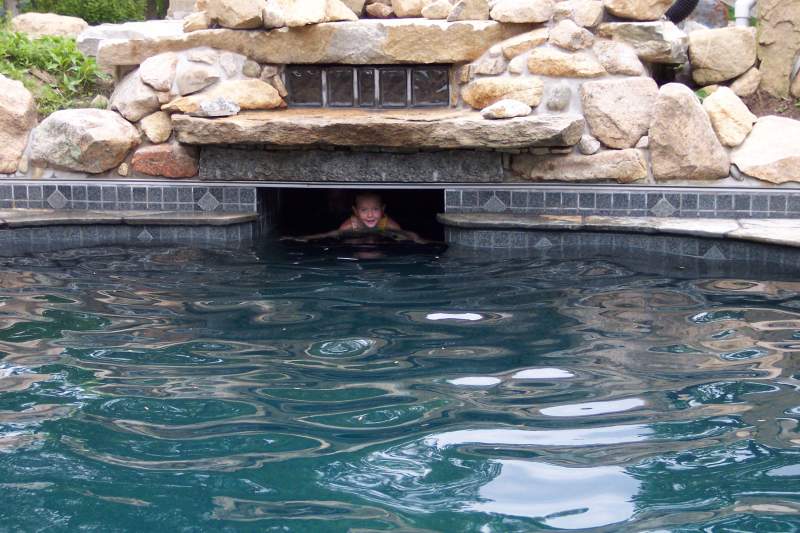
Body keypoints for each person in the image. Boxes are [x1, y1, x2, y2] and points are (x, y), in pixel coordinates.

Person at [283, 191, 427, 243]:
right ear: (355, 212)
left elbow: (407, 235)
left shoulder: (388, 224)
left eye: (375, 209)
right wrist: (305, 238)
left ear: (383, 210)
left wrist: (419, 240)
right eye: (364, 210)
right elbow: (330, 234)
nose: (370, 215)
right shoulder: (349, 226)